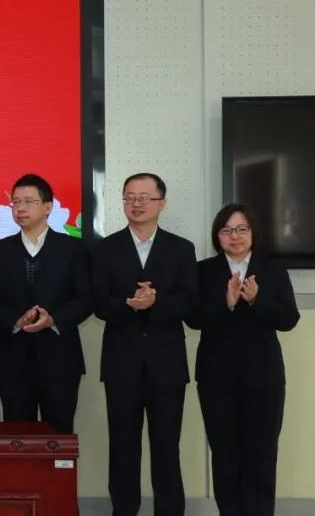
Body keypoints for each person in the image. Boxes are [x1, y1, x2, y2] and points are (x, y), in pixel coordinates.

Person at [91, 172, 197, 516]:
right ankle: (124, 510)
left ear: (161, 204)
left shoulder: (181, 249)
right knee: (123, 447)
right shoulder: (105, 249)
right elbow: (98, 303)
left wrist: (156, 303)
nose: (136, 204)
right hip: (121, 364)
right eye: (129, 197)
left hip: (167, 365)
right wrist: (128, 304)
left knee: (167, 447)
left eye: (144, 197)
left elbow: (189, 302)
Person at [195, 204, 299, 516]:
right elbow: (193, 318)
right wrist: (226, 303)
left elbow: (289, 319)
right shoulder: (204, 270)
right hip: (216, 377)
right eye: (227, 230)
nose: (235, 236)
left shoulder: (272, 269)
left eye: (242, 229)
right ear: (217, 236)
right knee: (224, 453)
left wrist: (257, 300)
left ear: (253, 233)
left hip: (263, 376)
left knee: (261, 453)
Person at [0, 174, 90, 433]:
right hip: (13, 360)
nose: (20, 208)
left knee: (59, 436)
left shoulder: (73, 249)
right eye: (16, 202)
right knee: (18, 439)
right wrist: (15, 321)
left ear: (48, 207)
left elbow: (85, 299)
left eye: (29, 201)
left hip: (60, 359)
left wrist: (54, 319)